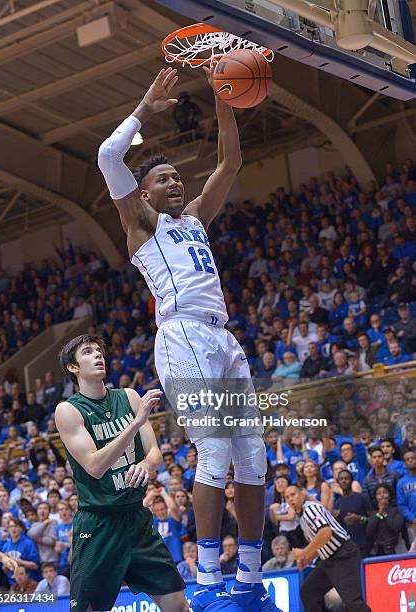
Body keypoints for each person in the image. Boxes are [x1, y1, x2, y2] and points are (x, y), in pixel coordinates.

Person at [97, 65, 277, 612]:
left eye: (178, 177)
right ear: (143, 193)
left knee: (255, 458)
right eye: (162, 179)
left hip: (221, 337)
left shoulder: (195, 219)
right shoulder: (141, 223)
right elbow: (108, 156)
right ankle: (205, 584)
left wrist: (226, 94)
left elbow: (230, 161)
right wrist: (146, 110)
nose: (174, 182)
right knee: (215, 449)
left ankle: (247, 578)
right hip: (182, 336)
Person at [55, 335, 187, 612]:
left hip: (136, 518)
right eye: (88, 352)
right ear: (72, 367)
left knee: (178, 606)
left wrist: (146, 465)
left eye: (99, 351)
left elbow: (154, 453)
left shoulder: (128, 396)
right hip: (98, 523)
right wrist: (135, 422)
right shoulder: (67, 410)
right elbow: (94, 465)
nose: (98, 355)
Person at [285, 484, 371, 612]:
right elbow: (320, 542)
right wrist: (308, 557)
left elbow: (325, 533)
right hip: (329, 560)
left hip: (343, 555)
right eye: (287, 497)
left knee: (352, 601)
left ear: (302, 494)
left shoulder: (310, 509)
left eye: (293, 494)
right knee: (308, 592)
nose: (290, 499)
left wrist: (304, 552)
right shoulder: (302, 517)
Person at [366, 485, 404, 555]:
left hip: (394, 549)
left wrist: (384, 513)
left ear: (389, 496)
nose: (382, 495)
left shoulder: (396, 510)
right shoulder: (373, 514)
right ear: (376, 498)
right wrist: (379, 514)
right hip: (378, 551)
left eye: (385, 492)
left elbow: (396, 528)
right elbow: (369, 531)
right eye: (379, 493)